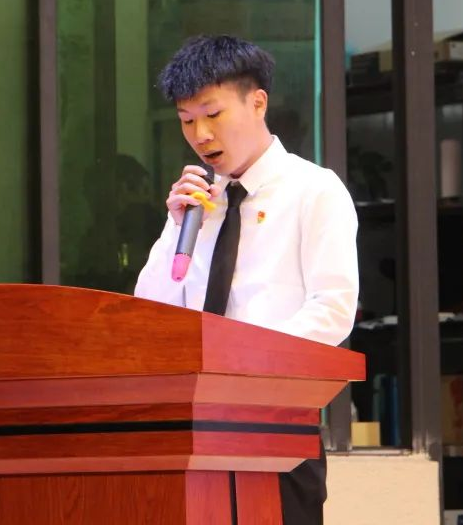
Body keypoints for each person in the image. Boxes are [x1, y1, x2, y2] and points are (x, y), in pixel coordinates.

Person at [134, 34, 359, 524]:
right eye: (187, 120)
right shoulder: (198, 204)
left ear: (257, 102)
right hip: (192, 427)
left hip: (276, 424)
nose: (200, 134)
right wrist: (176, 226)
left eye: (213, 114)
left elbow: (333, 309)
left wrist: (242, 362)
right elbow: (150, 313)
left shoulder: (314, 190)